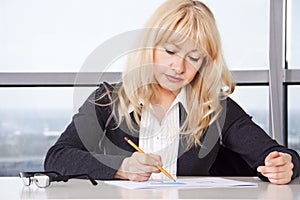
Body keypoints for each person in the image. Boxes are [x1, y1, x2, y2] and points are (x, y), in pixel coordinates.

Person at [44, 0, 300, 185]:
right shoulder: (107, 100)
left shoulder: (216, 108)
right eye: (170, 51)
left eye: (193, 57)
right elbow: (57, 157)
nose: (179, 67)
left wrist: (283, 165)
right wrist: (121, 168)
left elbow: (279, 155)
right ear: (150, 48)